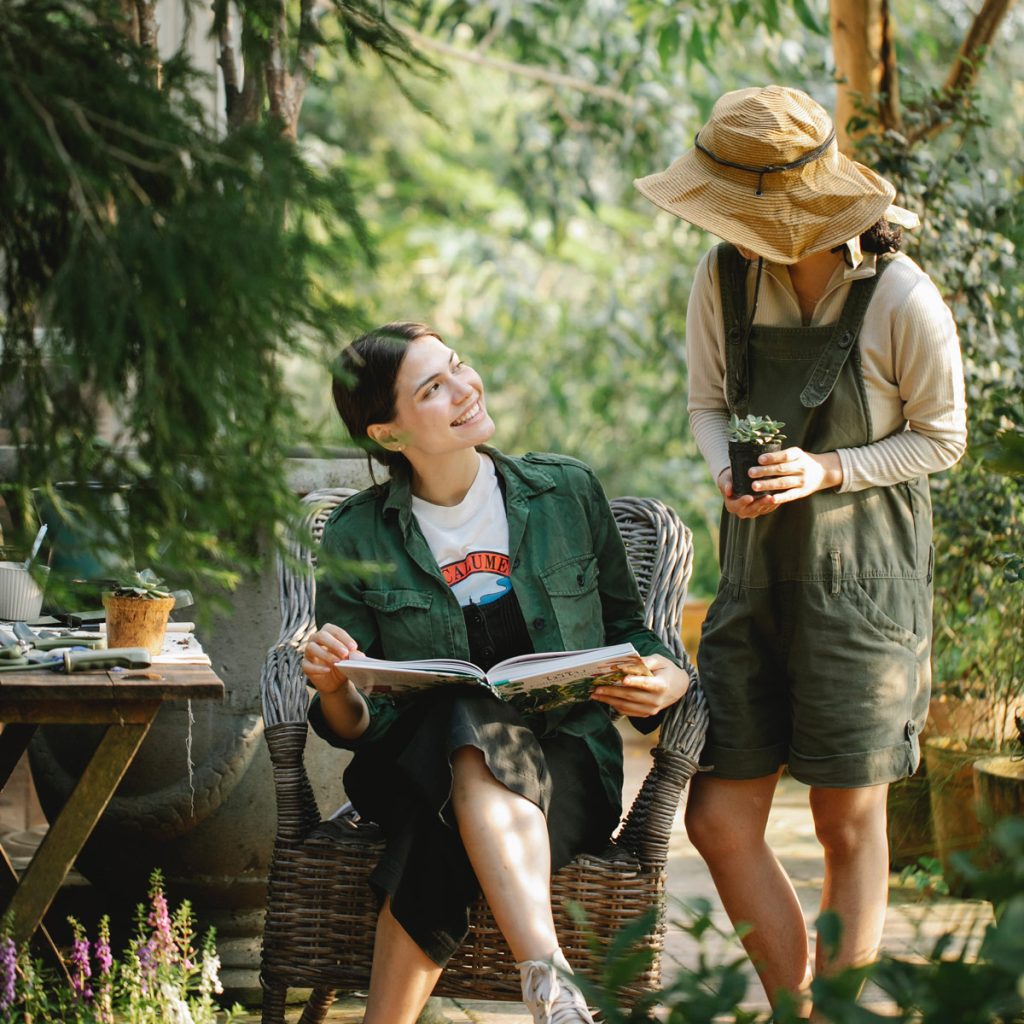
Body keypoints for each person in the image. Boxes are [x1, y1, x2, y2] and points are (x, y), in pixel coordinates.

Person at [634, 86, 967, 1016]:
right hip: (753, 582)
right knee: (716, 814)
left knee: (844, 818)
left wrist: (828, 471)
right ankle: (798, 1003)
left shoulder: (900, 294)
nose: (727, 230)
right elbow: (707, 408)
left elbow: (943, 437)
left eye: (742, 213)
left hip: (866, 589)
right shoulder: (723, 276)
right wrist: (723, 472)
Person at [301, 321, 690, 1024]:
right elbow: (356, 727)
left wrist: (669, 678)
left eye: (458, 367)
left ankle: (528, 988)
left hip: (570, 764)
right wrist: (335, 688)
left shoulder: (565, 493)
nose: (464, 388)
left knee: (438, 833)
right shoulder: (358, 536)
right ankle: (550, 979)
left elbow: (631, 630)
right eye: (433, 387)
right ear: (388, 434)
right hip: (410, 766)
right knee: (463, 718)